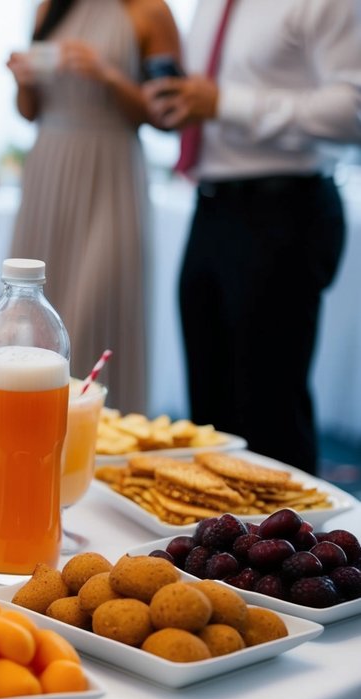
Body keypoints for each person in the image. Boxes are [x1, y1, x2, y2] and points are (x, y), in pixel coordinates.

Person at [144, 0, 361, 475]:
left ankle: (289, 544)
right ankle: (215, 544)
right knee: (209, 409)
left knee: (269, 410)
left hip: (285, 210)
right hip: (212, 207)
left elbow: (354, 110)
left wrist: (226, 103)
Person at [7, 0, 180, 415]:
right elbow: (30, 111)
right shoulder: (48, 8)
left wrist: (107, 74)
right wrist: (22, 79)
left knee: (94, 308)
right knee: (36, 316)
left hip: (111, 172)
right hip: (49, 169)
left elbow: (167, 112)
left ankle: (100, 440)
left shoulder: (150, 12)